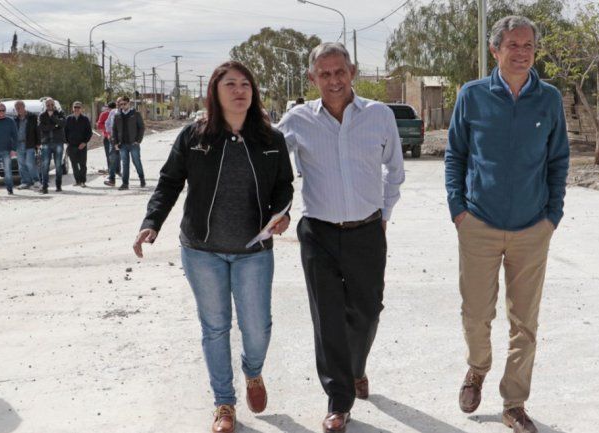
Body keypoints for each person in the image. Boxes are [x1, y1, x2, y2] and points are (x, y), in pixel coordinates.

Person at [133, 61, 294, 433]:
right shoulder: (194, 136)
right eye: (231, 84)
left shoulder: (271, 139)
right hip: (202, 250)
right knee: (215, 327)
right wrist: (151, 223)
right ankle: (224, 402)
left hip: (253, 251)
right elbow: (169, 182)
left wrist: (280, 214)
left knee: (257, 328)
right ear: (215, 92)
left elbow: (284, 186)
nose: (240, 91)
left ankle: (253, 371)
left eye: (246, 85)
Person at [444, 16, 569, 433]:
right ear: (495, 50)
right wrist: (458, 210)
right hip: (477, 223)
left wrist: (552, 215)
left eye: (528, 44)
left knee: (525, 322)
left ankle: (514, 403)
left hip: (532, 228)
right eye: (512, 45)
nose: (521, 52)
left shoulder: (548, 99)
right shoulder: (473, 95)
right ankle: (477, 369)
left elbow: (558, 160)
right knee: (476, 314)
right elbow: (455, 155)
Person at [277, 42, 405, 433]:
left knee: (367, 312)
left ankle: (356, 368)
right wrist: (277, 208)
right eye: (324, 74)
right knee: (328, 317)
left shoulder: (379, 115)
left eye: (340, 72)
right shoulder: (297, 119)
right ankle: (339, 399)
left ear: (352, 72)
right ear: (313, 78)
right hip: (318, 233)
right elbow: (269, 163)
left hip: (367, 231)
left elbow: (394, 170)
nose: (334, 81)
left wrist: (383, 213)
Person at [111, 95, 146, 189]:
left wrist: (138, 141)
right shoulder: (117, 115)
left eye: (124, 104)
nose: (122, 106)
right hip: (122, 144)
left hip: (133, 144)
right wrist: (115, 143)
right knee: (125, 164)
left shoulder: (135, 114)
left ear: (128, 103)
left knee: (136, 162)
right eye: (121, 104)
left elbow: (141, 128)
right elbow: (114, 130)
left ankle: (142, 178)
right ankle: (125, 184)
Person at [38, 98, 66, 194]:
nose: (50, 106)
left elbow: (63, 123)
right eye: (48, 105)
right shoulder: (42, 115)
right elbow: (41, 127)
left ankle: (58, 185)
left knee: (58, 165)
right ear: (45, 106)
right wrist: (55, 126)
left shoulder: (60, 113)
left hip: (58, 142)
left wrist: (53, 117)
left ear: (54, 105)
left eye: (51, 104)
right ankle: (44, 186)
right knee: (45, 165)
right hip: (46, 143)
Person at [13, 100, 41, 189]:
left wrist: (38, 143)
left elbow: (37, 130)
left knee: (30, 163)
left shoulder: (32, 117)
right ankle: (25, 182)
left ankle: (36, 181)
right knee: (21, 164)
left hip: (30, 144)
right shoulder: (15, 119)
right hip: (18, 144)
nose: (18, 109)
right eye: (16, 108)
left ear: (24, 107)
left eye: (19, 107)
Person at [64, 101, 92, 187]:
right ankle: (77, 181)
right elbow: (65, 132)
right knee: (74, 164)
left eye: (78, 107)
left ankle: (83, 181)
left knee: (82, 164)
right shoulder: (68, 119)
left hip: (82, 145)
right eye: (75, 107)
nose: (76, 109)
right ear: (73, 108)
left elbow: (89, 132)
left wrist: (84, 142)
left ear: (81, 109)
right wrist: (67, 142)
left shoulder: (85, 119)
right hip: (71, 146)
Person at [96, 101, 120, 179]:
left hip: (117, 138)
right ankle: (111, 171)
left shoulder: (118, 113)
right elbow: (99, 125)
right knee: (109, 155)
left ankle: (118, 170)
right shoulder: (104, 114)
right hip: (107, 138)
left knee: (118, 155)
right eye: (109, 109)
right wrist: (107, 129)